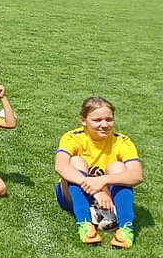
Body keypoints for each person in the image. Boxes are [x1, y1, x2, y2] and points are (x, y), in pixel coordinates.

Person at [55, 96, 143, 247]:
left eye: (109, 119)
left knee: (118, 167)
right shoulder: (73, 137)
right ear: (84, 120)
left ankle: (126, 228)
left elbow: (137, 175)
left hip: (106, 195)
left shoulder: (122, 141)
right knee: (76, 162)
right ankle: (85, 223)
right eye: (97, 120)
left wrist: (102, 181)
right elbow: (60, 166)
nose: (104, 124)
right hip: (74, 195)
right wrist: (94, 190)